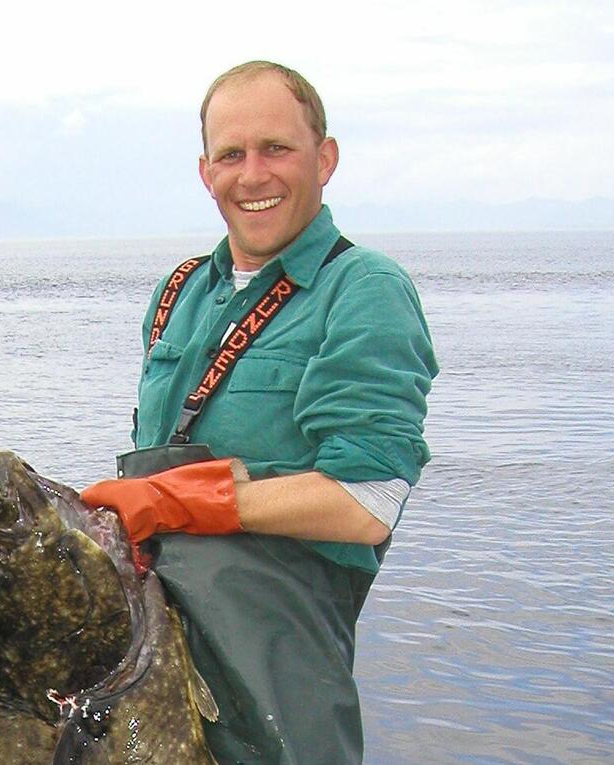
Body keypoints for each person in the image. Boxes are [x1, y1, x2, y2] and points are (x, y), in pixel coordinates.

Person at [81, 61, 439, 764]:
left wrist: (175, 498)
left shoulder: (362, 289)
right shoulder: (179, 288)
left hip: (279, 692)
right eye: (231, 154)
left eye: (277, 148)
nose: (253, 174)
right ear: (205, 170)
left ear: (325, 158)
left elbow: (365, 502)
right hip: (151, 679)